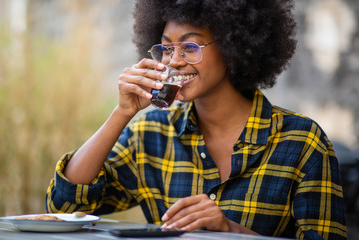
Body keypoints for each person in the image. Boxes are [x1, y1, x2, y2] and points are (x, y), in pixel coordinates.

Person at [46, 0, 347, 239]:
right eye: (166, 48)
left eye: (190, 47)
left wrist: (232, 232)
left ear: (233, 47)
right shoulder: (150, 134)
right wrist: (122, 112)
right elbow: (66, 206)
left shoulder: (302, 142)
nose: (174, 60)